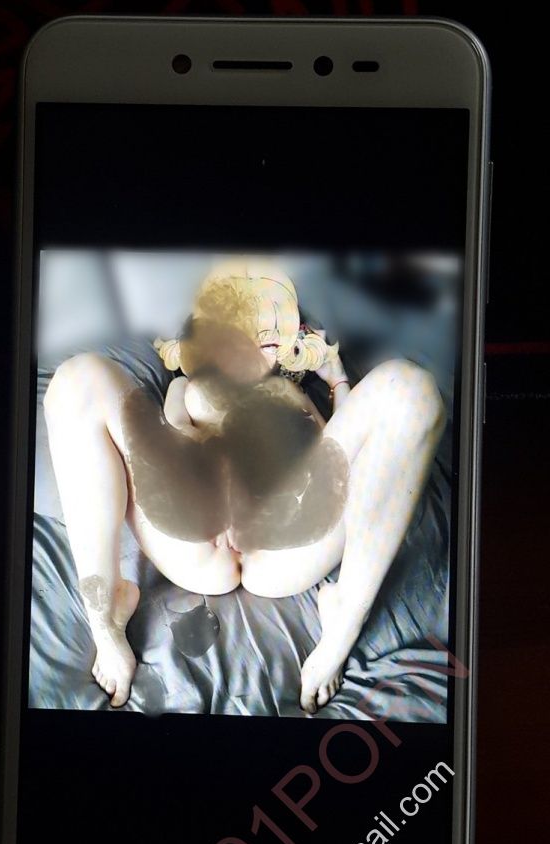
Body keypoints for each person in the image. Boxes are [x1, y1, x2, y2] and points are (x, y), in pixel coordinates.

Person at [44, 259, 446, 714]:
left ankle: (345, 620)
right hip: (193, 528)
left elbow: (347, 450)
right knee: (77, 378)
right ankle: (105, 617)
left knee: (412, 389)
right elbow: (167, 446)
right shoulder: (186, 387)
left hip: (292, 535)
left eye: (268, 335)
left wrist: (336, 378)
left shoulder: (292, 393)